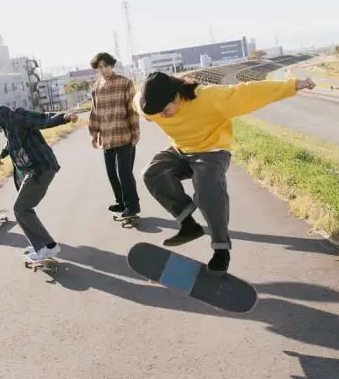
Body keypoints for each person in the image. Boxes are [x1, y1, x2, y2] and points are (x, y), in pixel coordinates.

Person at [135, 72, 316, 275]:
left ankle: (221, 249)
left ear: (177, 97)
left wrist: (293, 85)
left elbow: (248, 93)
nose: (161, 117)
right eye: (156, 114)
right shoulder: (148, 108)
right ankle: (188, 223)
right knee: (152, 173)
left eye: (165, 111)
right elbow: (136, 100)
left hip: (212, 151)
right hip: (181, 150)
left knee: (206, 191)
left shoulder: (207, 98)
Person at [0, 97, 77, 262]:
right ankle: (41, 245)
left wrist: (64, 117)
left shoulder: (16, 115)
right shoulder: (6, 122)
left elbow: (42, 120)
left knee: (21, 209)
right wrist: (2, 155)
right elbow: (12, 142)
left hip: (40, 168)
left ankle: (47, 247)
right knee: (23, 208)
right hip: (34, 169)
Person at [88, 52, 141, 219]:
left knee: (124, 174)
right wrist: (93, 133)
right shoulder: (96, 87)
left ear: (112, 65)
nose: (103, 70)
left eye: (106, 66)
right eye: (100, 67)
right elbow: (94, 112)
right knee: (112, 174)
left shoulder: (125, 83)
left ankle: (132, 206)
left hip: (123, 136)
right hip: (107, 138)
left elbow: (132, 110)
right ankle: (121, 202)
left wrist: (135, 132)